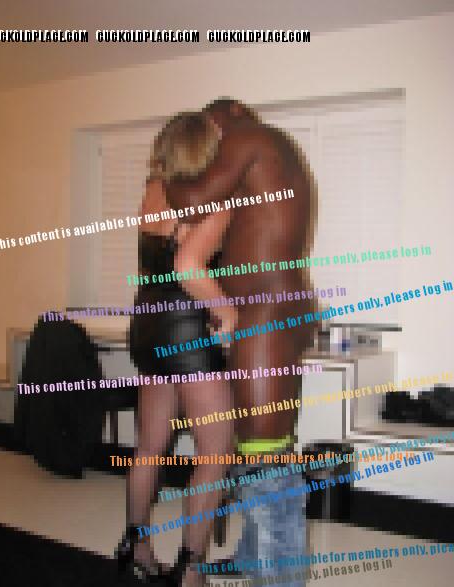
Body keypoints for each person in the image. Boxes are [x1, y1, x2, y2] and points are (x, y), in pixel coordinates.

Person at [166, 98, 317, 585]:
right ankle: (252, 555)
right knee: (264, 449)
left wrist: (166, 167)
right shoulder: (271, 150)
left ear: (227, 113)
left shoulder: (248, 137)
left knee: (265, 463)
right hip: (274, 310)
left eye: (211, 131)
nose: (214, 146)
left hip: (266, 314)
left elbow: (192, 201)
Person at [117, 112, 236, 587]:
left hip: (147, 326)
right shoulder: (211, 201)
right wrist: (227, 312)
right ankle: (191, 571)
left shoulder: (153, 190)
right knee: (215, 451)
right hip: (186, 331)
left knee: (149, 447)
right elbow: (187, 266)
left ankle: (136, 547)